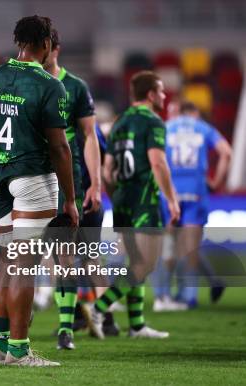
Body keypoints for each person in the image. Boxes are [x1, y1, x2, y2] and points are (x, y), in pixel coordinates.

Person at [0, 15, 77, 367]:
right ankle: (18, 350)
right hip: (33, 178)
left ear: (18, 40)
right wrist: (71, 200)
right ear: (47, 43)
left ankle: (0, 346)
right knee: (23, 266)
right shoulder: (50, 86)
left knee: (6, 263)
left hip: (0, 179)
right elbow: (60, 148)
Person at [90, 70, 180, 339]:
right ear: (151, 94)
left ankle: (137, 325)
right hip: (144, 200)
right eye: (161, 91)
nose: (164, 96)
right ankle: (98, 308)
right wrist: (172, 200)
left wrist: (118, 195)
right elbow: (158, 162)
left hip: (123, 200)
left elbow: (107, 170)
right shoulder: (153, 122)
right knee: (145, 265)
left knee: (135, 261)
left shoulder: (119, 122)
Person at [43, 28, 101, 350]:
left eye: (48, 48)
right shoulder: (24, 85)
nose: (44, 53)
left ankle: (66, 327)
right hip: (29, 180)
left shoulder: (76, 87)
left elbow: (90, 136)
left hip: (68, 182)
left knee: (65, 257)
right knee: (18, 258)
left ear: (57, 49)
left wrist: (96, 183)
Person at [153, 101, 232, 309]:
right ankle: (189, 296)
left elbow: (155, 160)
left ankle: (163, 295)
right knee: (191, 248)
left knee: (168, 244)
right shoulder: (203, 127)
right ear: (194, 112)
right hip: (196, 192)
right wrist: (217, 182)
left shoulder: (166, 128)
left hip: (171, 193)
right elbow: (226, 152)